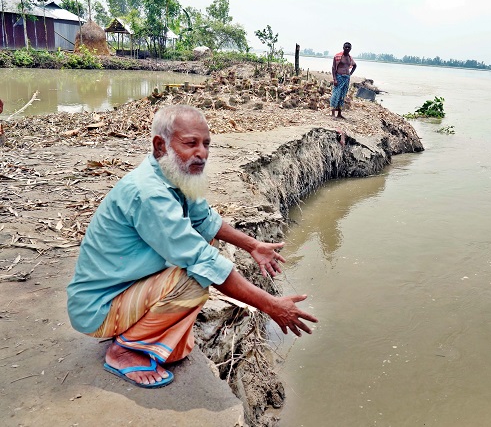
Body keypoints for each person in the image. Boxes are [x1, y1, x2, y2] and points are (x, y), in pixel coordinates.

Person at [66, 105, 318, 388]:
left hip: (127, 287)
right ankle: (123, 351)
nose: (202, 153)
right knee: (196, 276)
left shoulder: (175, 174)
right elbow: (204, 262)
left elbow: (205, 220)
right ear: (160, 145)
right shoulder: (148, 194)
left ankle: (136, 334)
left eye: (206, 144)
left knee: (199, 263)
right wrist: (272, 306)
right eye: (190, 143)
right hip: (98, 308)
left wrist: (253, 245)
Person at [330, 42, 357, 119]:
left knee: (343, 95)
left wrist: (350, 73)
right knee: (335, 94)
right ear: (343, 47)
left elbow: (355, 65)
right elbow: (333, 68)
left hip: (346, 78)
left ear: (350, 49)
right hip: (339, 76)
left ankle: (339, 113)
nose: (347, 49)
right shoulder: (338, 56)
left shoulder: (350, 58)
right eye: (346, 47)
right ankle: (332, 113)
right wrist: (334, 79)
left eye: (349, 47)